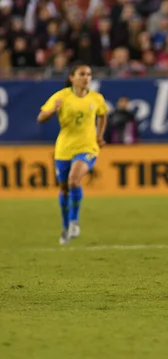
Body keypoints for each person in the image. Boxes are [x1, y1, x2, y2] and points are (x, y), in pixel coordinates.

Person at [37, 63, 108, 245]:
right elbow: (40, 118)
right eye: (82, 74)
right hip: (64, 149)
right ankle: (65, 226)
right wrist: (53, 110)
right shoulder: (61, 96)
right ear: (72, 77)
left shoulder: (96, 98)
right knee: (64, 189)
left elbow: (103, 114)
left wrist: (99, 136)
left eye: (89, 74)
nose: (86, 78)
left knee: (74, 180)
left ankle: (74, 221)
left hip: (88, 148)